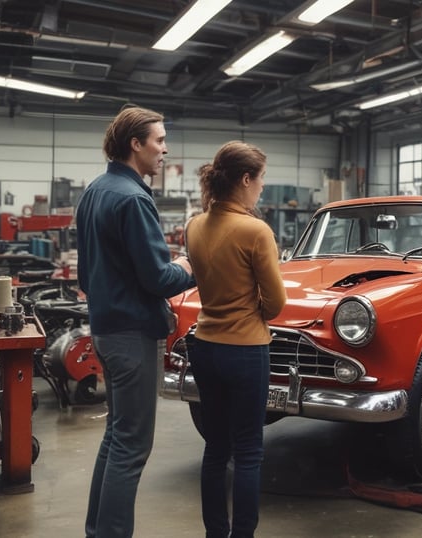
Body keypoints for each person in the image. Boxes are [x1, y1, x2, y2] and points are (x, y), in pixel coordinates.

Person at [75, 105, 195, 538]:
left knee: (115, 436)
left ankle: (99, 530)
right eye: (159, 141)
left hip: (106, 329)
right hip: (132, 334)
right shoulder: (134, 198)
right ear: (135, 144)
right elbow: (160, 279)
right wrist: (189, 262)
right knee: (132, 444)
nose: (165, 149)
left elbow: (85, 275)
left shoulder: (95, 191)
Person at [185, 140, 287, 538]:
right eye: (260, 180)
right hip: (245, 350)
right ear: (246, 180)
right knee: (248, 452)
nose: (262, 188)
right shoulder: (255, 230)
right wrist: (251, 313)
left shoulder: (195, 225)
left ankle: (216, 534)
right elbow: (276, 302)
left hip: (205, 346)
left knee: (215, 449)